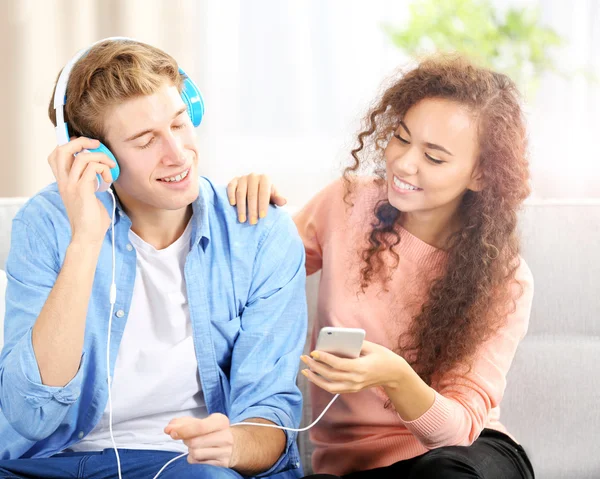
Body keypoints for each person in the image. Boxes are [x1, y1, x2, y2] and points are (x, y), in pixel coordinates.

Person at [0, 38, 307, 479]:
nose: (177, 155)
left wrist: (234, 444)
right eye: (145, 141)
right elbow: (31, 416)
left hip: (189, 467)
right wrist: (85, 240)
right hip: (52, 464)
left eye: (180, 124)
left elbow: (270, 411)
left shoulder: (257, 232)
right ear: (95, 154)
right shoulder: (47, 225)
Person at [228, 55, 535, 478]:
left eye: (435, 157)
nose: (404, 163)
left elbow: (459, 432)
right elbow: (252, 273)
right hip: (352, 467)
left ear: (480, 174)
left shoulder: (504, 278)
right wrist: (252, 209)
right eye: (401, 138)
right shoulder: (347, 203)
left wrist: (395, 377)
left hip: (464, 457)